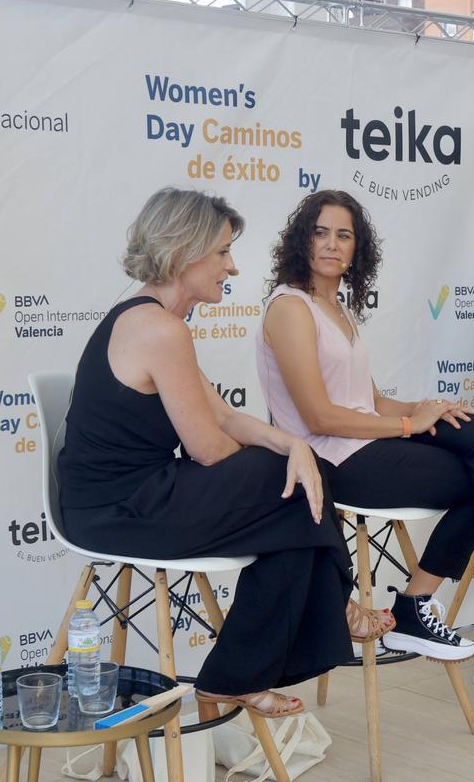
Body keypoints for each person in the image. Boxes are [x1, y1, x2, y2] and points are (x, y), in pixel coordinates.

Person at [58, 188, 388, 718]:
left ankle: (267, 654)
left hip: (140, 493)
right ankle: (306, 624)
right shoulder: (158, 329)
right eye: (222, 253)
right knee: (291, 491)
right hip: (115, 510)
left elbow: (226, 416)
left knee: (295, 490)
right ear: (184, 252)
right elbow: (211, 449)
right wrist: (288, 461)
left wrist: (293, 445)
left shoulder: (157, 320)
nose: (231, 267)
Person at [257, 190, 474, 662]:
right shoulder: (290, 308)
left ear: (358, 247)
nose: (332, 244)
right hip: (330, 458)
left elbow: (369, 399)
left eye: (344, 235)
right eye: (320, 233)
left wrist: (426, 405)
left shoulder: (336, 309)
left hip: (362, 439)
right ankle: (446, 603)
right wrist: (405, 425)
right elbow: (318, 416)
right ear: (301, 241)